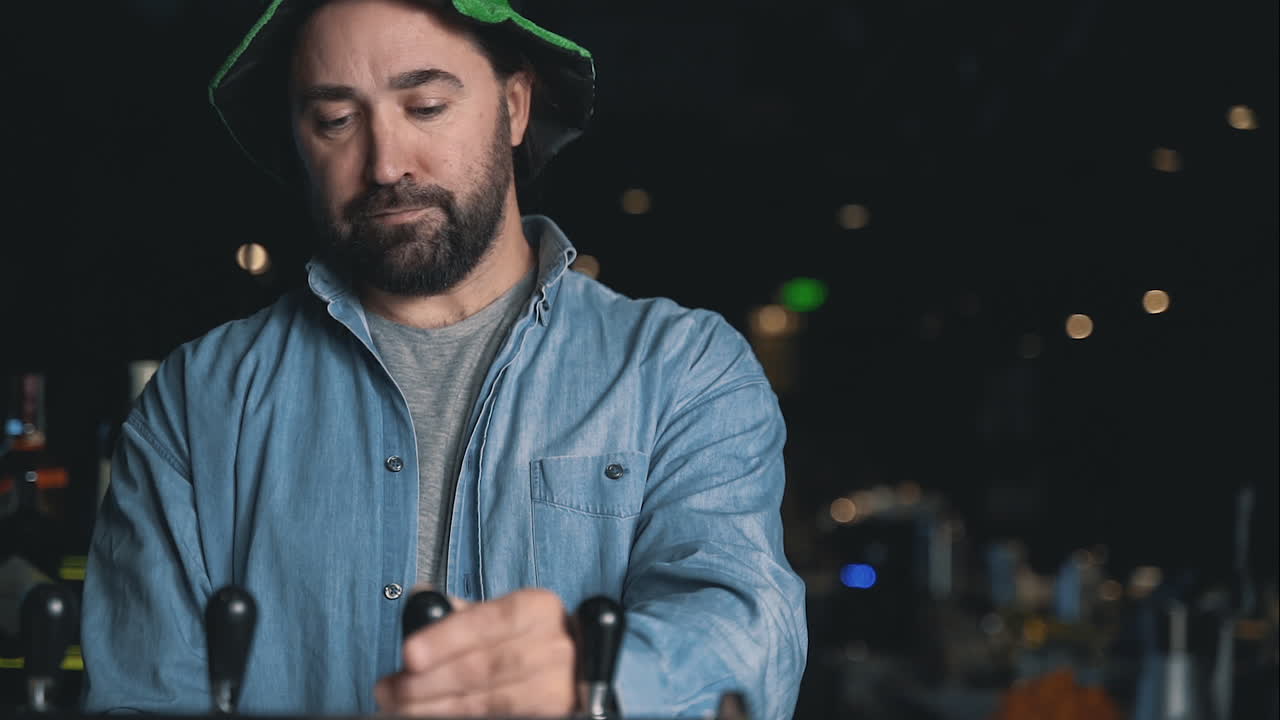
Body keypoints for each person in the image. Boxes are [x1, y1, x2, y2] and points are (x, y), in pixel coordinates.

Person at [80, 0, 808, 717]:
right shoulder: (197, 401)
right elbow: (138, 696)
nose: (386, 163)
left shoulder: (683, 370)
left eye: (425, 106)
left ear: (515, 106)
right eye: (335, 120)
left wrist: (599, 680)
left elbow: (747, 635)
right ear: (298, 140)